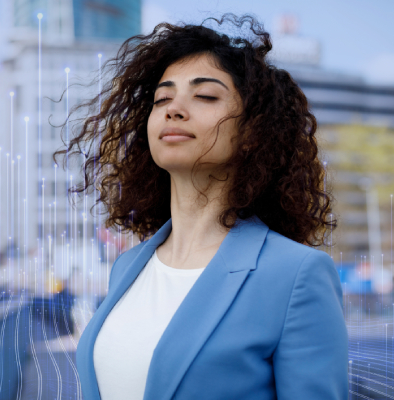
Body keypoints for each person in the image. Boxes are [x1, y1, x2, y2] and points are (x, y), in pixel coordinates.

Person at [54, 13, 348, 400]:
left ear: (251, 132)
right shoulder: (129, 266)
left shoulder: (297, 275)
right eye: (162, 98)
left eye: (205, 95)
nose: (174, 109)